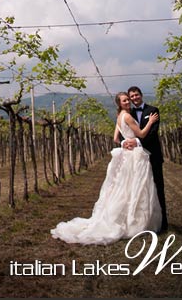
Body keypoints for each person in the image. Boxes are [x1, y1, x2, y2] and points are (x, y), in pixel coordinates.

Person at [50, 92, 162, 245]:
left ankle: (125, 217)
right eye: (125, 100)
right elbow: (142, 134)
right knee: (136, 187)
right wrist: (150, 122)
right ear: (120, 103)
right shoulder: (128, 116)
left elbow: (116, 138)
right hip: (134, 156)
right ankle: (134, 220)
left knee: (125, 187)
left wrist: (124, 143)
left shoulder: (119, 117)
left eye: (128, 99)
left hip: (125, 155)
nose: (128, 101)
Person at [126, 86, 168, 232]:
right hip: (136, 158)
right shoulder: (128, 114)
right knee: (140, 190)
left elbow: (153, 133)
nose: (134, 98)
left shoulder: (153, 110)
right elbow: (122, 135)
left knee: (158, 188)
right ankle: (144, 223)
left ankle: (163, 224)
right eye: (131, 96)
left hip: (153, 156)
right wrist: (125, 143)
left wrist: (137, 142)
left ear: (141, 95)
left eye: (136, 95)